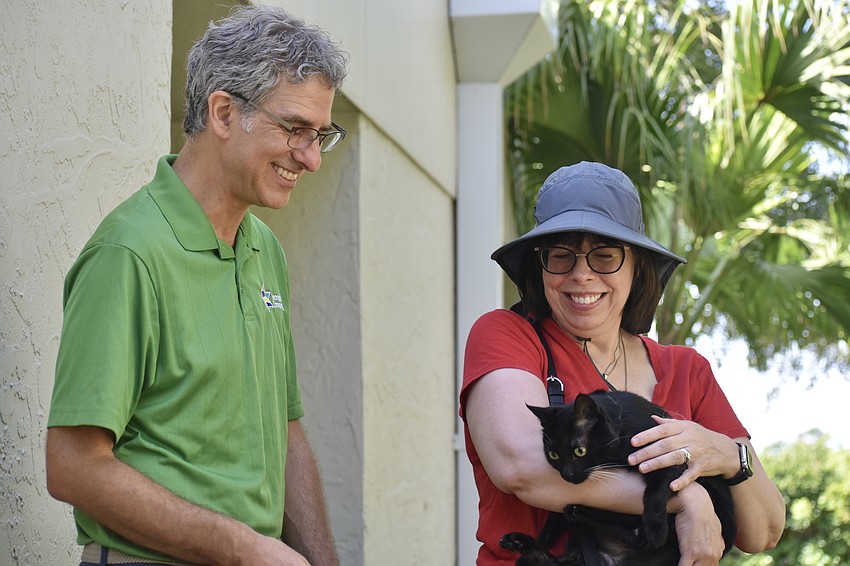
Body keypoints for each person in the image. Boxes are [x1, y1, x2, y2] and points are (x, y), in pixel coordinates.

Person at [46, 6, 348, 566]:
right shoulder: (128, 252)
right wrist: (240, 547)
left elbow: (284, 431)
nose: (311, 159)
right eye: (296, 130)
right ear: (224, 112)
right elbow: (73, 466)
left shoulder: (265, 250)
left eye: (320, 135)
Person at [460, 162, 786, 565]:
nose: (581, 274)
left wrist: (729, 455)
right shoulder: (508, 334)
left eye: (604, 255)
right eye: (561, 256)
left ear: (636, 266)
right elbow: (521, 468)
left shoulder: (687, 369)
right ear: (539, 266)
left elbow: (764, 531)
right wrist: (685, 496)